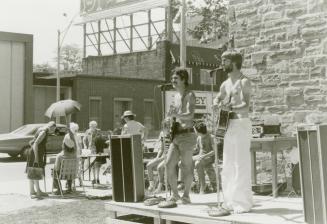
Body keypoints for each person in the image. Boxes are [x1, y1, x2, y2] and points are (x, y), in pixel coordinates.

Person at [213, 49, 253, 214]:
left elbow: (246, 106)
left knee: (240, 163)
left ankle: (242, 202)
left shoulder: (244, 82)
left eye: (225, 60)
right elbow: (219, 97)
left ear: (234, 62)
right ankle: (229, 200)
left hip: (241, 123)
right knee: (228, 164)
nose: (222, 63)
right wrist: (217, 101)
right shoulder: (225, 83)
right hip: (227, 125)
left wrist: (230, 107)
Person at [165, 67, 197, 204]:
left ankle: (186, 196)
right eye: (172, 78)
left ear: (183, 80)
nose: (173, 81)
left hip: (187, 136)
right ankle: (175, 195)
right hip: (176, 136)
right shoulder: (176, 96)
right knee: (168, 164)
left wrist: (175, 115)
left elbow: (190, 115)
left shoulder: (190, 95)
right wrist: (169, 120)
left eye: (176, 79)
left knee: (186, 166)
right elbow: (176, 116)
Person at [26, 121, 56, 199]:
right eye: (53, 129)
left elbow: (31, 142)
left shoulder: (41, 129)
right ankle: (38, 191)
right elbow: (35, 143)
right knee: (36, 171)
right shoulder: (44, 132)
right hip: (36, 153)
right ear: (51, 127)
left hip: (33, 152)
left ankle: (32, 190)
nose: (52, 132)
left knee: (32, 171)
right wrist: (36, 157)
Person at [53, 122, 79, 194]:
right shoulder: (75, 155)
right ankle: (69, 188)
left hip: (63, 174)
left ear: (64, 145)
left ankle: (59, 189)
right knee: (69, 170)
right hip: (72, 173)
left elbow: (57, 168)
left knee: (54, 171)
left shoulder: (60, 156)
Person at [192, 122, 216, 194]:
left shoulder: (211, 137)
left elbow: (214, 151)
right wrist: (188, 151)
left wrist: (204, 156)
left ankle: (203, 186)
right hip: (201, 156)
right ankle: (192, 183)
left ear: (199, 131)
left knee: (198, 163)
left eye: (195, 130)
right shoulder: (199, 138)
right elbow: (196, 149)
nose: (194, 131)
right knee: (183, 161)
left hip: (209, 157)